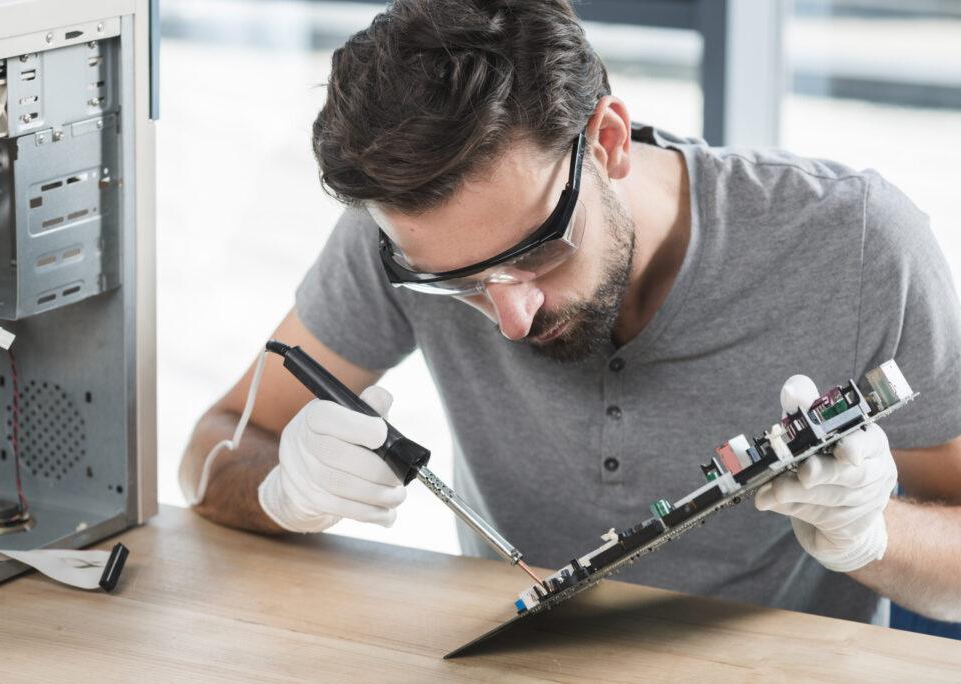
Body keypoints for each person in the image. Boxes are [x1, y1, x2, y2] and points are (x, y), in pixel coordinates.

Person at [180, 0, 961, 624]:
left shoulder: (857, 244)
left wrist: (875, 533)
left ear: (610, 141)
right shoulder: (406, 242)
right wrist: (282, 488)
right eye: (460, 284)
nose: (510, 317)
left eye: (537, 251)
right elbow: (214, 447)